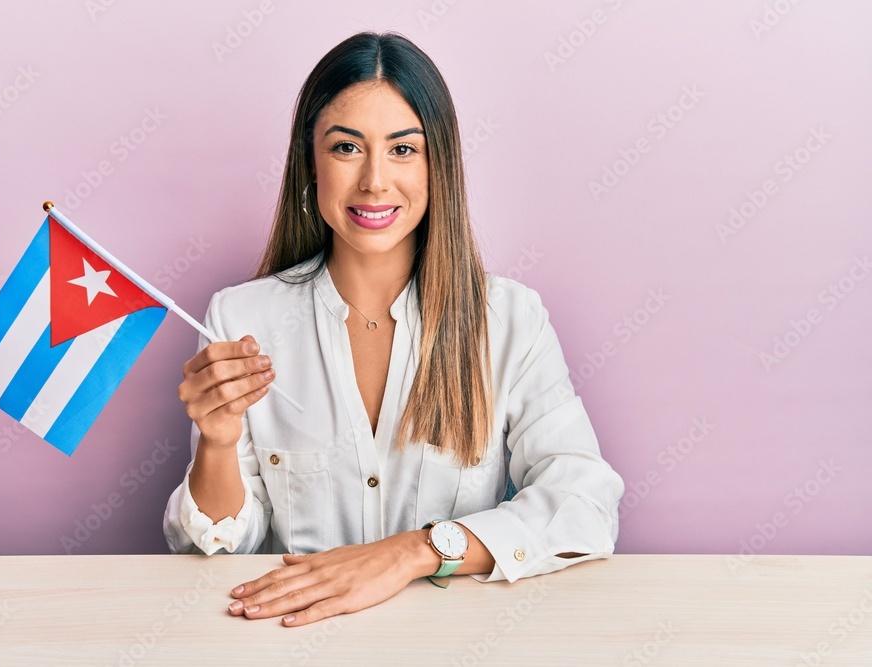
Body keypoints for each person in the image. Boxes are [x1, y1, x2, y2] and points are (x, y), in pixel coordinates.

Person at [163, 31, 624, 628]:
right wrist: (218, 444)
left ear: (441, 165)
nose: (375, 181)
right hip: (290, 641)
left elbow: (584, 501)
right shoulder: (239, 319)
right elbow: (216, 549)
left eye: (404, 150)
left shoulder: (510, 320)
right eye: (347, 148)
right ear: (311, 164)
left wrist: (411, 553)